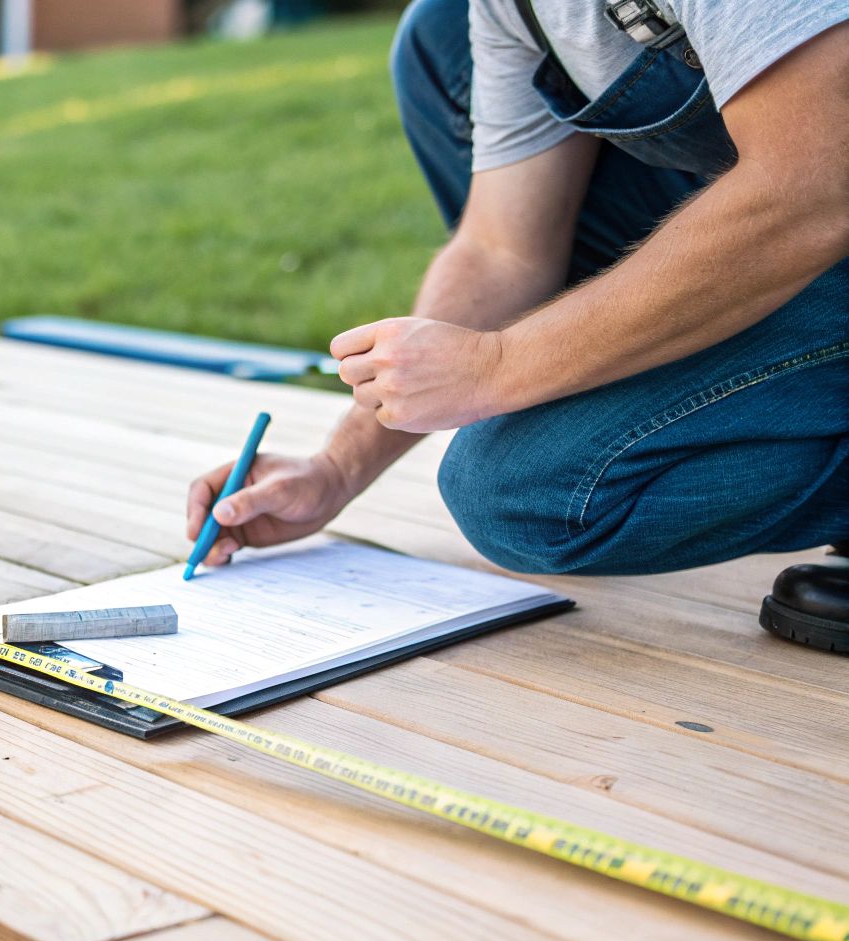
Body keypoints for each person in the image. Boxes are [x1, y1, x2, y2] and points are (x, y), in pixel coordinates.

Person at [185, 0, 849, 653]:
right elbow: (504, 250)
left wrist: (503, 365)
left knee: (531, 492)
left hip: (819, 194)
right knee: (440, 35)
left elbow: (816, 182)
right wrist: (337, 468)